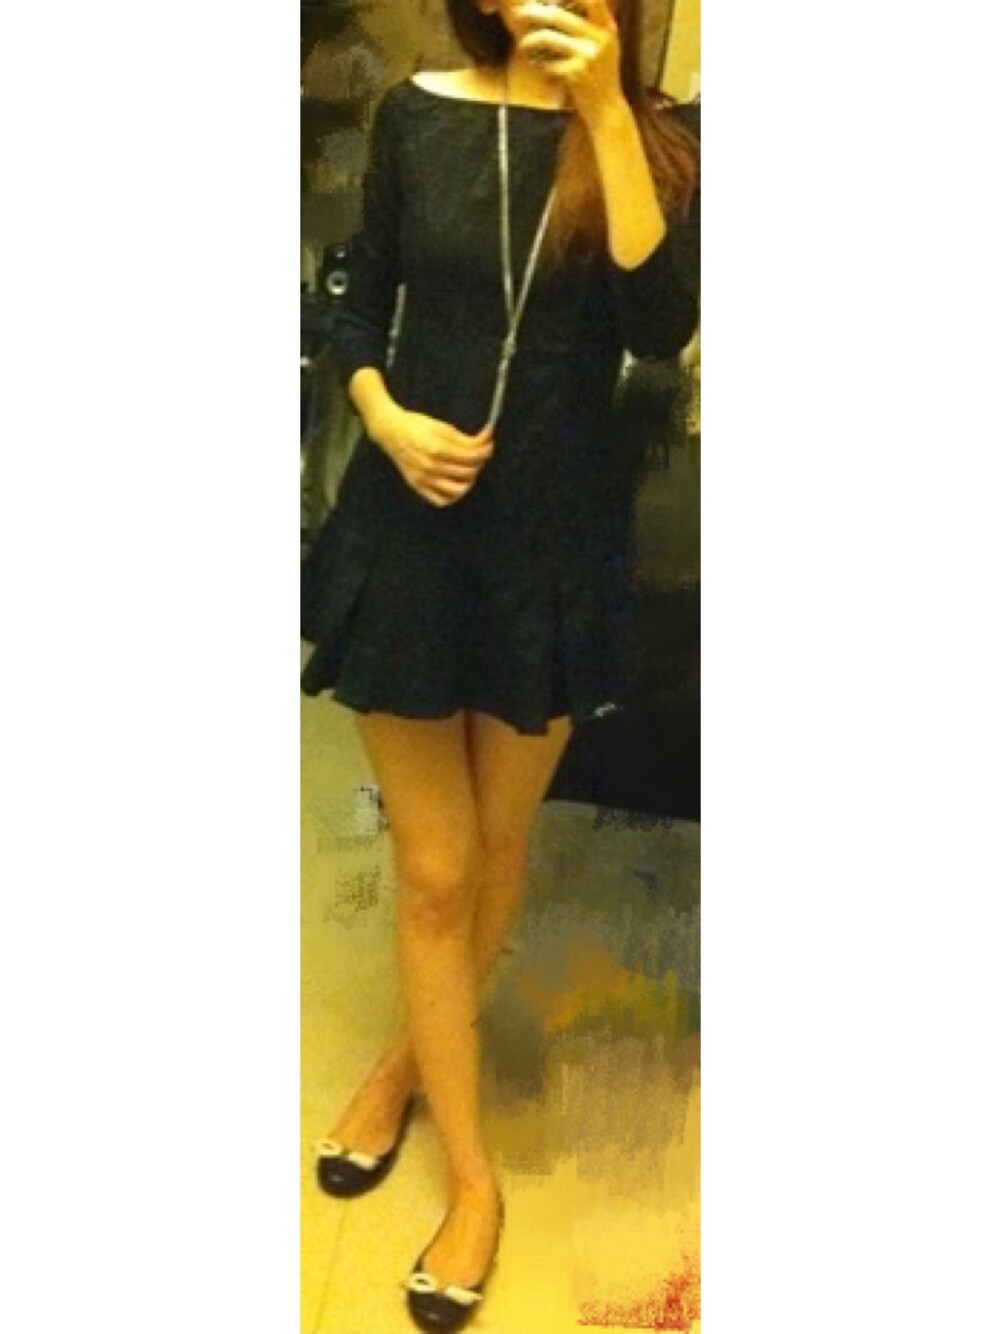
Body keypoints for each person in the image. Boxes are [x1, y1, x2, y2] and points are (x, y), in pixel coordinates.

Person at [301, 2, 699, 1328]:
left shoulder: (658, 139)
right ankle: (472, 1177)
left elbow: (660, 323)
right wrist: (383, 418)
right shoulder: (414, 115)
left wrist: (606, 113)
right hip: (409, 528)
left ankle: (406, 1061)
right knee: (435, 868)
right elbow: (354, 303)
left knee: (500, 842)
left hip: (553, 541)